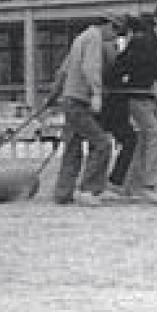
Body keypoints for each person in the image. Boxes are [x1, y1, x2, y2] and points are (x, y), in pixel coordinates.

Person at [51, 12, 126, 207]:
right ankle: (89, 190)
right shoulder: (94, 38)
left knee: (73, 148)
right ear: (107, 25)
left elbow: (64, 69)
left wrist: (54, 93)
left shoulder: (81, 38)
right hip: (79, 101)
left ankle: (63, 193)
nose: (115, 36)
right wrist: (97, 94)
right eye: (116, 30)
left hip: (69, 98)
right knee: (102, 144)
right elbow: (91, 68)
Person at [110, 3, 157, 205]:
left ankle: (132, 186)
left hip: (150, 99)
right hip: (136, 98)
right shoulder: (143, 42)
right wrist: (148, 84)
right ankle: (148, 185)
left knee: (143, 141)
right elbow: (123, 67)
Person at [99, 13, 143, 198]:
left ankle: (110, 182)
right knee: (125, 141)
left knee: (119, 141)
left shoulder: (118, 47)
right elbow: (111, 73)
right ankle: (111, 182)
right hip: (111, 103)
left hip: (114, 102)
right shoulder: (114, 48)